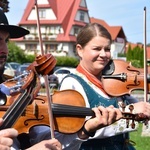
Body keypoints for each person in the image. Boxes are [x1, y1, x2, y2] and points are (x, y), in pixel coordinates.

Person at [58, 23, 150, 150]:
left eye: (107, 49)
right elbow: (78, 130)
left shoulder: (114, 78)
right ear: (80, 49)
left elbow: (137, 105)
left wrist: (144, 109)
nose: (104, 54)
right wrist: (131, 110)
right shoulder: (71, 83)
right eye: (97, 49)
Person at [0, 9, 62, 150]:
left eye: (6, 41)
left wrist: (85, 130)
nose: (4, 49)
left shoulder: (13, 87)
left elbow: (40, 137)